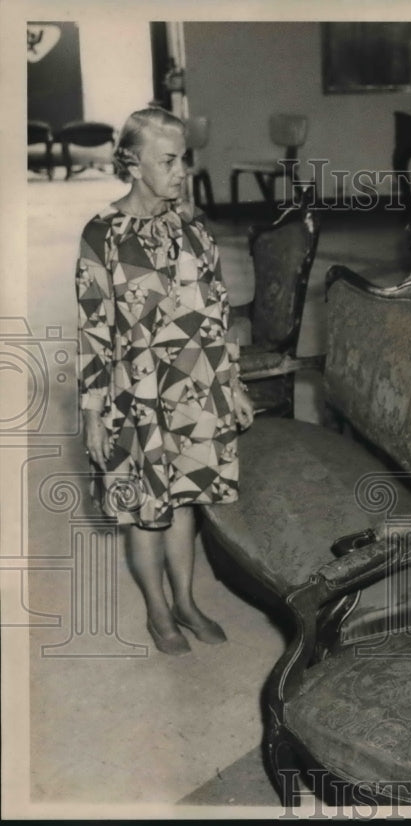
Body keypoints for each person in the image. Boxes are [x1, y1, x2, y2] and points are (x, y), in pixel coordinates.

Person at [76, 107, 254, 655]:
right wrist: (91, 415)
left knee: (185, 503)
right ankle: (158, 612)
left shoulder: (194, 229)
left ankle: (186, 600)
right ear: (132, 162)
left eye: (185, 160)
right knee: (146, 513)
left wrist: (236, 382)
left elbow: (218, 312)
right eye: (170, 160)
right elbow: (93, 330)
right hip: (137, 398)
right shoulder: (102, 236)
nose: (183, 171)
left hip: (196, 388)